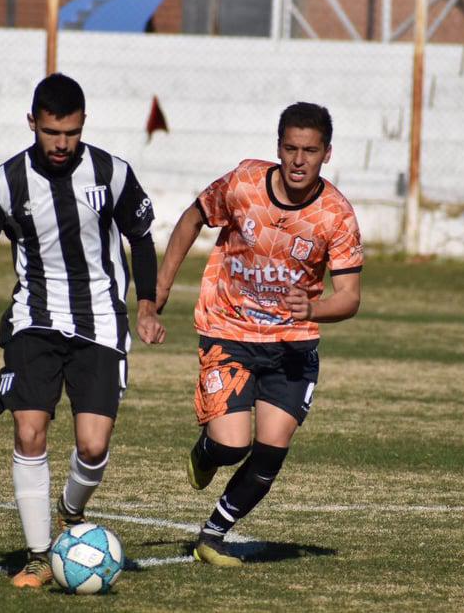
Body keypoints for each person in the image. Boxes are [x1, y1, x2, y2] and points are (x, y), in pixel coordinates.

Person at [0, 73, 166, 588]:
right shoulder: (5, 184)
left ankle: (71, 510)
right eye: (51, 132)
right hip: (35, 321)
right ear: (33, 124)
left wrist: (149, 307)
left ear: (83, 124)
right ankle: (39, 554)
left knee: (92, 447)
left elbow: (142, 239)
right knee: (29, 431)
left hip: (101, 323)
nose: (62, 143)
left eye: (70, 132)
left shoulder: (112, 173)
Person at [155, 102, 363, 566]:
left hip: (291, 346)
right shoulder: (245, 182)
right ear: (278, 147)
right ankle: (208, 450)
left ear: (326, 153)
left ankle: (212, 537)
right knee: (232, 445)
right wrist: (163, 283)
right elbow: (192, 217)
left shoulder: (336, 215)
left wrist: (314, 307)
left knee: (271, 448)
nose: (298, 160)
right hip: (228, 328)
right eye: (290, 148)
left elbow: (349, 296)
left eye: (310, 150)